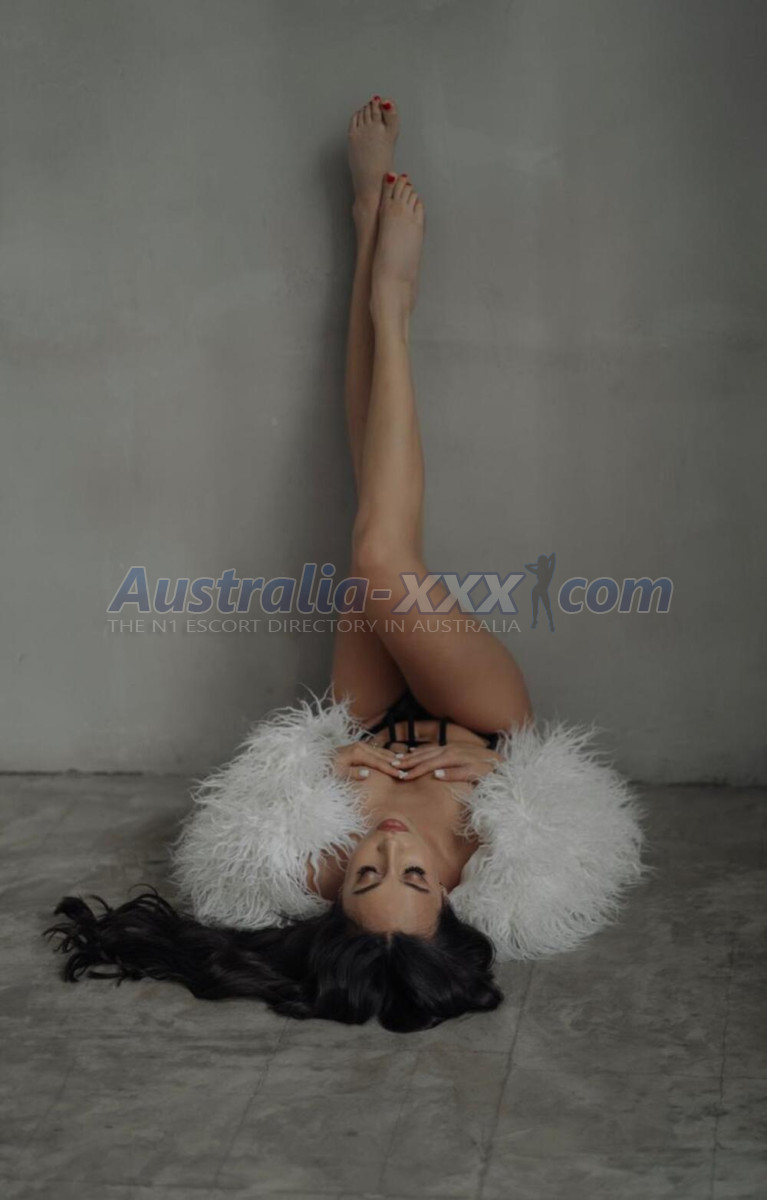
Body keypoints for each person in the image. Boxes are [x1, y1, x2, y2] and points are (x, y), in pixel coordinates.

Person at [45, 97, 649, 1033]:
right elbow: (569, 799)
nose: (392, 846)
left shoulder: (297, 866)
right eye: (414, 874)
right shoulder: (507, 881)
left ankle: (370, 235)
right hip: (482, 712)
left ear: (337, 899)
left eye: (369, 872)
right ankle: (390, 300)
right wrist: (484, 765)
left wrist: (335, 759)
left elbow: (259, 789)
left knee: (370, 512)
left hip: (365, 713)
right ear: (449, 899)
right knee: (379, 551)